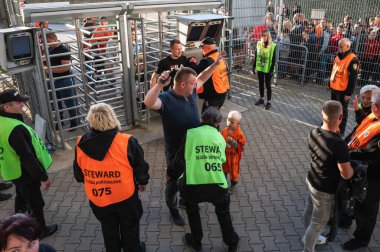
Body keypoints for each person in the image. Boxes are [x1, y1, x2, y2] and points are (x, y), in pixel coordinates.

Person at [144, 55, 224, 226]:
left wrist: (215, 64)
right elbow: (148, 102)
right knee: (173, 181)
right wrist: (159, 84)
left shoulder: (191, 90)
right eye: (192, 83)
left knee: (189, 175)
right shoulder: (166, 98)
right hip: (175, 149)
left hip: (193, 146)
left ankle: (183, 199)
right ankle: (172, 208)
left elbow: (202, 76)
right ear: (182, 84)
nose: (196, 85)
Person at [73, 103, 149, 252]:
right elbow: (140, 167)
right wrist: (142, 181)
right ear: (113, 119)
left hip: (99, 198)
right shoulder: (127, 141)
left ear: (90, 121)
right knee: (130, 228)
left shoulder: (81, 143)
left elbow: (79, 174)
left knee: (108, 229)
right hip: (125, 197)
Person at [175, 107, 240, 252]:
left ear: (202, 120)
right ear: (217, 124)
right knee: (223, 212)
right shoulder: (220, 138)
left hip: (193, 185)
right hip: (217, 184)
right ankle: (232, 242)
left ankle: (196, 241)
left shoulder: (190, 134)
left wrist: (170, 172)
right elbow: (222, 159)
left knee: (192, 209)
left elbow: (179, 157)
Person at [0, 89, 58, 238]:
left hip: (11, 170)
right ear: (6, 107)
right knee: (36, 203)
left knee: (21, 193)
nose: (22, 105)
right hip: (25, 172)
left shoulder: (3, 122)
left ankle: (17, 219)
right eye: (18, 102)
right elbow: (27, 157)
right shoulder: (15, 128)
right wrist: (43, 176)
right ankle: (40, 230)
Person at [303, 100, 354, 252]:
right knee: (319, 222)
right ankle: (308, 247)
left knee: (309, 209)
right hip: (324, 189)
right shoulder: (339, 144)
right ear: (341, 118)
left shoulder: (313, 132)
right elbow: (346, 174)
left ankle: (309, 235)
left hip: (311, 179)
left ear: (322, 114)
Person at [343, 87, 380, 250]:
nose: (368, 105)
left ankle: (362, 238)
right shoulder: (374, 116)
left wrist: (348, 156)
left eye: (370, 102)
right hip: (361, 169)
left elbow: (372, 156)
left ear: (376, 106)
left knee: (367, 206)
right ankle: (345, 219)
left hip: (373, 175)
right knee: (352, 195)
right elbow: (362, 130)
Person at [45, 32, 78, 131]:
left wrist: (48, 70)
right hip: (52, 80)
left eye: (49, 41)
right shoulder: (51, 49)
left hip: (63, 81)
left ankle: (74, 123)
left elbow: (64, 68)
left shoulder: (63, 50)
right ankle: (60, 122)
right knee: (56, 103)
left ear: (54, 39)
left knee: (69, 102)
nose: (48, 43)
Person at [329, 38, 359, 135]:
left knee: (342, 111)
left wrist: (349, 93)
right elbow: (334, 71)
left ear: (348, 47)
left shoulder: (353, 60)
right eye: (339, 46)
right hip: (334, 87)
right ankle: (331, 125)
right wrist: (330, 84)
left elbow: (353, 79)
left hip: (343, 90)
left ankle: (341, 130)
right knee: (333, 108)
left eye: (341, 47)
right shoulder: (338, 56)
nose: (339, 48)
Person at [193, 37, 230, 112]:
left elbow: (194, 71)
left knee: (207, 118)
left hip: (214, 95)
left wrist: (192, 62)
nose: (201, 49)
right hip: (222, 92)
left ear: (209, 48)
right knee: (214, 115)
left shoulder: (207, 60)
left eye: (202, 47)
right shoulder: (219, 56)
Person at [221, 111, 246, 195]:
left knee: (233, 171)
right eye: (228, 120)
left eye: (232, 122)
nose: (229, 123)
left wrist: (232, 142)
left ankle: (233, 184)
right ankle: (223, 183)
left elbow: (241, 146)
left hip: (234, 157)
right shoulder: (224, 131)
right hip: (225, 155)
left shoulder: (239, 134)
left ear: (238, 123)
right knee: (223, 169)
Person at [253, 29, 276, 110]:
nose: (263, 37)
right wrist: (253, 66)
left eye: (264, 35)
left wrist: (271, 70)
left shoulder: (272, 45)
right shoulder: (259, 43)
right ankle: (261, 99)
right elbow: (256, 55)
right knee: (260, 84)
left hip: (268, 69)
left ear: (268, 36)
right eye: (262, 35)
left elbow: (273, 60)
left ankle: (269, 102)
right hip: (260, 67)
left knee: (268, 85)